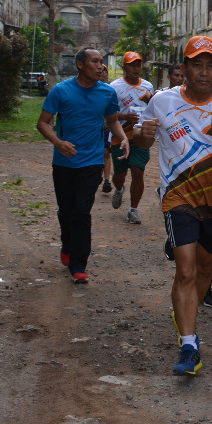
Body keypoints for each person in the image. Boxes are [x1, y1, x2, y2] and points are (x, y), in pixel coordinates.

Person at [137, 36, 212, 376]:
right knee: (186, 270)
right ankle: (189, 344)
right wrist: (143, 135)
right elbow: (141, 140)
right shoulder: (162, 102)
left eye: (210, 65)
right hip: (179, 197)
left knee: (204, 269)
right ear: (184, 68)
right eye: (196, 65)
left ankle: (184, 313)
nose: (204, 72)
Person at [37, 48, 129, 284]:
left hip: (92, 161)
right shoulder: (61, 90)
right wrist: (58, 142)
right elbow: (43, 123)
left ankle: (79, 265)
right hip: (64, 162)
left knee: (81, 211)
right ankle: (67, 244)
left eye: (101, 62)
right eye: (94, 61)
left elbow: (112, 121)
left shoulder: (107, 93)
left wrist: (123, 138)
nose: (100, 66)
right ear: (80, 64)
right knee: (66, 211)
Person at [109, 51, 156, 225]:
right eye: (132, 65)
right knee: (119, 174)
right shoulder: (114, 87)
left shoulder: (148, 86)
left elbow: (152, 108)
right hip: (120, 137)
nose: (136, 68)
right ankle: (119, 188)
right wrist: (125, 117)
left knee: (138, 171)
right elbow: (108, 114)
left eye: (138, 65)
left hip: (140, 137)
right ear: (124, 67)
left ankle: (133, 210)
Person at [100, 60, 114, 194]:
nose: (102, 73)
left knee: (105, 152)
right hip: (93, 128)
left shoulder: (109, 91)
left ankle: (106, 180)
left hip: (106, 127)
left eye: (104, 71)